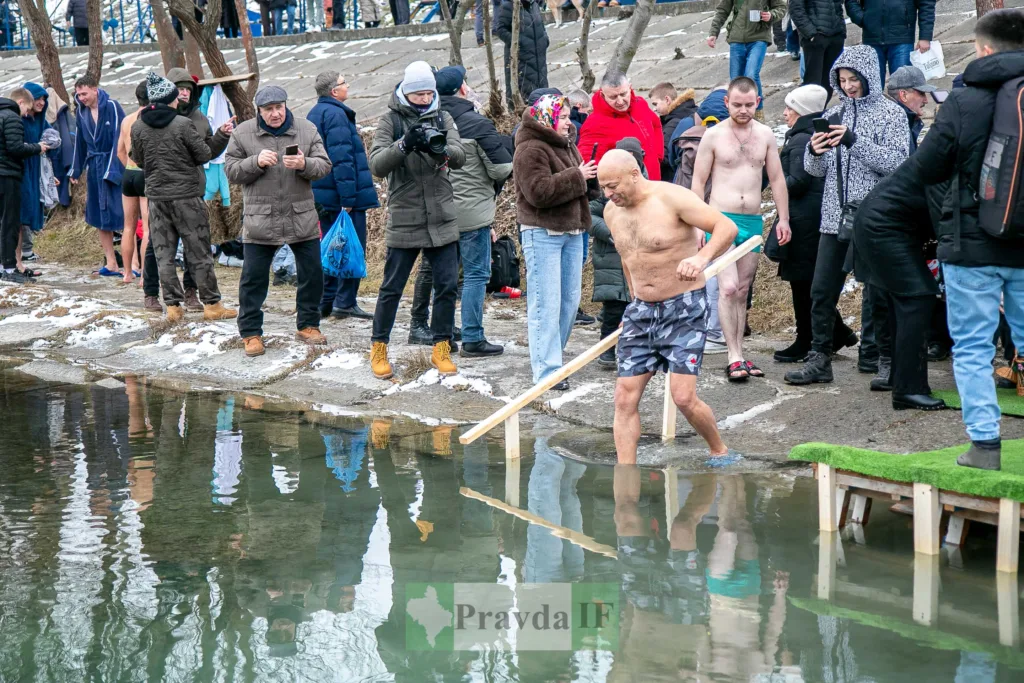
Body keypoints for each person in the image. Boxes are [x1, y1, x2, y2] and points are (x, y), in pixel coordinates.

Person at [899, 9, 1024, 469]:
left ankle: (985, 447)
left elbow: (929, 167)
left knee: (973, 347)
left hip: (972, 244)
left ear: (984, 49)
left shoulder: (964, 100)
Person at [599, 150, 738, 463]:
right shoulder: (611, 211)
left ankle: (719, 449)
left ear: (634, 174)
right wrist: (633, 304)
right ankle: (626, 474)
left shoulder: (672, 198)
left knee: (683, 397)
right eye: (604, 187)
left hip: (684, 307)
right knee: (623, 397)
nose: (609, 194)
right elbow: (628, 256)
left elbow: (726, 227)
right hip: (641, 311)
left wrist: (701, 258)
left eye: (613, 185)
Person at [784, 45, 910, 386]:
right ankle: (819, 358)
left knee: (878, 293)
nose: (849, 85)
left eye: (854, 78)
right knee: (821, 290)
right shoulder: (836, 113)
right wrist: (814, 150)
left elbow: (899, 164)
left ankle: (885, 360)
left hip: (874, 218)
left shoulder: (891, 114)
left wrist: (855, 141)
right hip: (833, 217)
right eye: (843, 79)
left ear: (870, 75)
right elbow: (815, 170)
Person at [367, 62, 467, 380]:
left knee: (448, 285)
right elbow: (377, 165)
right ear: (407, 92)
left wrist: (438, 150)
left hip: (442, 215)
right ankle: (379, 348)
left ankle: (441, 348)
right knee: (392, 287)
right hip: (406, 215)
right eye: (419, 93)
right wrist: (404, 144)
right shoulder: (391, 119)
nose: (425, 98)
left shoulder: (442, 116)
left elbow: (460, 156)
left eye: (429, 92)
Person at [691, 77, 791, 382]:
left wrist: (783, 219)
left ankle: (740, 353)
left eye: (749, 105)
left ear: (758, 102)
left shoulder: (765, 136)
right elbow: (698, 181)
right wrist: (698, 223)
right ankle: (732, 354)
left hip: (752, 220)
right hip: (720, 219)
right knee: (729, 287)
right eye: (737, 105)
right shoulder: (713, 136)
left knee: (743, 291)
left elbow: (776, 179)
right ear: (727, 103)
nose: (743, 110)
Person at [411, 65, 513, 358]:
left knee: (441, 274)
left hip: (438, 212)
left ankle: (438, 331)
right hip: (473, 215)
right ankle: (472, 337)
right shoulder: (477, 124)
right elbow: (502, 167)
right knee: (476, 274)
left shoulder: (427, 122)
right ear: (463, 89)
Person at [225, 85, 333, 356]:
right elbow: (231, 172)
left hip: (301, 215)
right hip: (260, 217)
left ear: (286, 106)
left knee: (312, 273)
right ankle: (250, 333)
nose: (275, 114)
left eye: (279, 108)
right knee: (253, 278)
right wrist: (255, 162)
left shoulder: (306, 129)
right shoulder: (242, 133)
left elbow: (324, 165)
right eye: (268, 109)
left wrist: (304, 164)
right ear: (259, 111)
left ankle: (308, 324)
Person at [131, 72, 237, 323]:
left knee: (164, 254)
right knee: (198, 251)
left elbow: (137, 159)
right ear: (169, 99)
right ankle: (212, 304)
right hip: (187, 197)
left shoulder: (138, 125)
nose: (180, 98)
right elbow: (203, 155)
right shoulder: (182, 124)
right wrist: (222, 135)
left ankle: (173, 308)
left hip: (157, 198)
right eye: (175, 95)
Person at [513, 93, 594, 388]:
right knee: (545, 304)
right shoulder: (529, 148)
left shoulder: (568, 144)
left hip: (573, 231)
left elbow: (581, 186)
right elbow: (538, 192)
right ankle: (546, 372)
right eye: (562, 117)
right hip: (542, 232)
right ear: (547, 117)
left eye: (569, 117)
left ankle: (553, 360)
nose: (568, 122)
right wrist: (578, 176)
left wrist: (592, 180)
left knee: (569, 303)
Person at [853, 165, 946, 411]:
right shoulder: (950, 163)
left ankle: (900, 377)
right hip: (884, 226)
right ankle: (909, 389)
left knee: (903, 299)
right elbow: (946, 226)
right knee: (918, 298)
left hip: (887, 223)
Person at [774, 84, 855, 363]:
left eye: (789, 108)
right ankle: (838, 333)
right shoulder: (808, 134)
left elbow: (798, 181)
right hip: (811, 218)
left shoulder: (799, 140)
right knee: (809, 282)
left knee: (802, 282)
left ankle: (806, 340)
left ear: (801, 111)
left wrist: (771, 179)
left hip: (803, 221)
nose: (784, 113)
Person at [307, 70, 379, 320]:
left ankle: (326, 300)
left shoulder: (315, 112)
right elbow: (342, 160)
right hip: (343, 197)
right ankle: (345, 301)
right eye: (343, 83)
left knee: (330, 248)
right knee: (350, 247)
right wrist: (348, 199)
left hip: (323, 195)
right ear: (333, 92)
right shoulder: (336, 114)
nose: (347, 85)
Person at [590, 138, 646, 369]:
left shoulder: (648, 189)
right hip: (610, 258)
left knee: (638, 306)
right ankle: (606, 349)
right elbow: (589, 215)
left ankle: (636, 349)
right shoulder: (606, 192)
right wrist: (611, 232)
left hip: (638, 257)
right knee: (613, 309)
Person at [69, 75, 126, 278]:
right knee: (99, 216)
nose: (81, 98)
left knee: (123, 214)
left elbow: (120, 138)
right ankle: (111, 262)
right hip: (94, 168)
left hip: (114, 166)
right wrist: (76, 170)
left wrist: (113, 170)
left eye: (84, 93)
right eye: (78, 94)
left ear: (95, 89)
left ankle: (133, 263)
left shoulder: (112, 106)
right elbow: (80, 144)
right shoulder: (82, 112)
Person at [578, 71, 664, 180]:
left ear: (630, 87)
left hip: (654, 183)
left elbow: (656, 124)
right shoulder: (594, 124)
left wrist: (657, 156)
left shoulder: (640, 104)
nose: (620, 101)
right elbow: (589, 164)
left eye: (623, 94)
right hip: (629, 191)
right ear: (602, 94)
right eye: (613, 97)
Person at [707, 0, 787, 115]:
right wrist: (713, 33)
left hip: (759, 37)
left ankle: (758, 112)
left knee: (751, 74)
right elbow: (722, 11)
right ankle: (736, 113)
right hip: (737, 38)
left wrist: (771, 15)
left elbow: (781, 7)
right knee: (735, 80)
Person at [1, 89, 47, 283]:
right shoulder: (12, 118)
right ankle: (10, 269)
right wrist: (38, 147)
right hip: (7, 175)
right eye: (27, 109)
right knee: (10, 223)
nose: (27, 114)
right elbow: (16, 148)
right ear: (20, 102)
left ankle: (4, 266)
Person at [845, 0, 936, 86]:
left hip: (902, 38)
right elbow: (851, 2)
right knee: (872, 88)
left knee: (903, 86)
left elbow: (926, 4)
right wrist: (862, 19)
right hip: (872, 38)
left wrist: (925, 36)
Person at [18, 83, 57, 279]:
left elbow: (52, 138)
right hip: (20, 171)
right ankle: (13, 262)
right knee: (17, 217)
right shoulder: (18, 118)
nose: (42, 102)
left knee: (27, 215)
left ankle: (18, 261)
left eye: (44, 99)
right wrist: (36, 146)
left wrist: (51, 140)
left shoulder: (40, 119)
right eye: (38, 99)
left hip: (35, 171)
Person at [116, 81, 150, 288]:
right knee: (147, 228)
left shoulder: (127, 120)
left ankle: (127, 273)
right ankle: (146, 275)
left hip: (129, 173)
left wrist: (129, 168)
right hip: (145, 174)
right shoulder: (150, 119)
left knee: (128, 227)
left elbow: (120, 151)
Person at [497, 0, 550, 109]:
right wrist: (519, 43)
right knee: (525, 99)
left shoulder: (534, 5)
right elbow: (501, 30)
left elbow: (540, 25)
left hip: (539, 59)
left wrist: (545, 39)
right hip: (521, 60)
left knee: (542, 96)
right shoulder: (509, 7)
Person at [789, 0, 847, 100]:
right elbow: (796, 9)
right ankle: (811, 114)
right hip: (815, 39)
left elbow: (838, 5)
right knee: (813, 84)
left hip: (835, 35)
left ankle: (821, 112)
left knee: (830, 82)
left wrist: (841, 31)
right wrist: (811, 34)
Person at [648, 82, 697, 181]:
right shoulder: (692, 111)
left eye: (655, 104)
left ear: (667, 99)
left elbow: (663, 157)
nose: (654, 109)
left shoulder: (672, 123)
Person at [885, 65, 936, 154]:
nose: (926, 100)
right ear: (903, 95)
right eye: (921, 93)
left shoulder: (907, 119)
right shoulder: (895, 125)